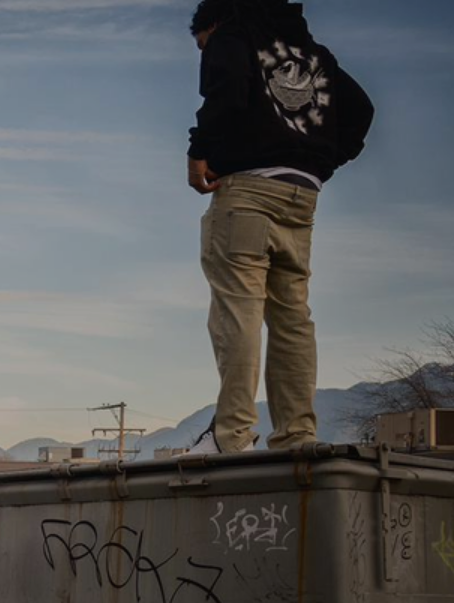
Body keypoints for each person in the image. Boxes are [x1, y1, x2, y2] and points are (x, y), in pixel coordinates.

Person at [185, 0, 372, 454]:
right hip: (301, 196)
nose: (204, 54)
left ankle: (231, 436)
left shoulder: (232, 35)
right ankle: (296, 435)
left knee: (239, 310)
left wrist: (198, 152)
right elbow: (361, 109)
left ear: (212, 24)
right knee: (292, 316)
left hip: (248, 191)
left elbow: (227, 93)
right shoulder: (314, 55)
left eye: (202, 46)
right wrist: (320, 160)